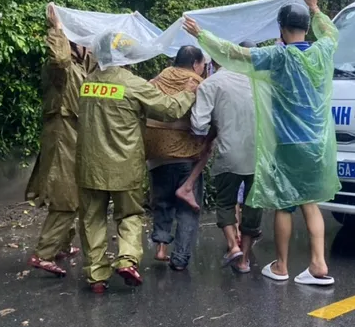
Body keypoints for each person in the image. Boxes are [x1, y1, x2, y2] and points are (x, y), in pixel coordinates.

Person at [183, 0, 340, 285]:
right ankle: (319, 264)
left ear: (281, 30)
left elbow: (235, 54)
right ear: (307, 29)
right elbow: (331, 32)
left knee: (284, 203)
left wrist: (201, 36)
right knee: (310, 201)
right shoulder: (323, 50)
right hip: (318, 143)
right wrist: (315, 6)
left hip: (288, 142)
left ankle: (281, 266)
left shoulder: (278, 57)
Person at [76, 31, 196, 293]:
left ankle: (96, 275)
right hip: (124, 165)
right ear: (127, 55)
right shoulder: (133, 84)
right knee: (129, 214)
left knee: (91, 219)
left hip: (89, 166)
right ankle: (127, 260)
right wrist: (187, 92)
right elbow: (170, 109)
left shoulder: (86, 83)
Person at [24, 3, 89, 277]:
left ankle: (62, 245)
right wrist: (57, 30)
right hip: (62, 130)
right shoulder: (60, 67)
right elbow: (59, 59)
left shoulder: (80, 66)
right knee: (65, 195)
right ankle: (45, 253)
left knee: (73, 189)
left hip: (73, 131)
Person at [189, 41, 262, 273]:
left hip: (228, 153)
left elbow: (199, 125)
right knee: (253, 206)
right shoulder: (263, 83)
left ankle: (232, 245)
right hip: (259, 155)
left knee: (225, 202)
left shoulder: (212, 84)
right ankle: (244, 261)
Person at [143, 45, 207, 271]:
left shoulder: (156, 79)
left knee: (162, 202)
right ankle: (179, 258)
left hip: (155, 154)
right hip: (185, 155)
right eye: (202, 65)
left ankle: (161, 247)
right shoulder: (198, 84)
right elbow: (202, 121)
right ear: (195, 64)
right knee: (188, 208)